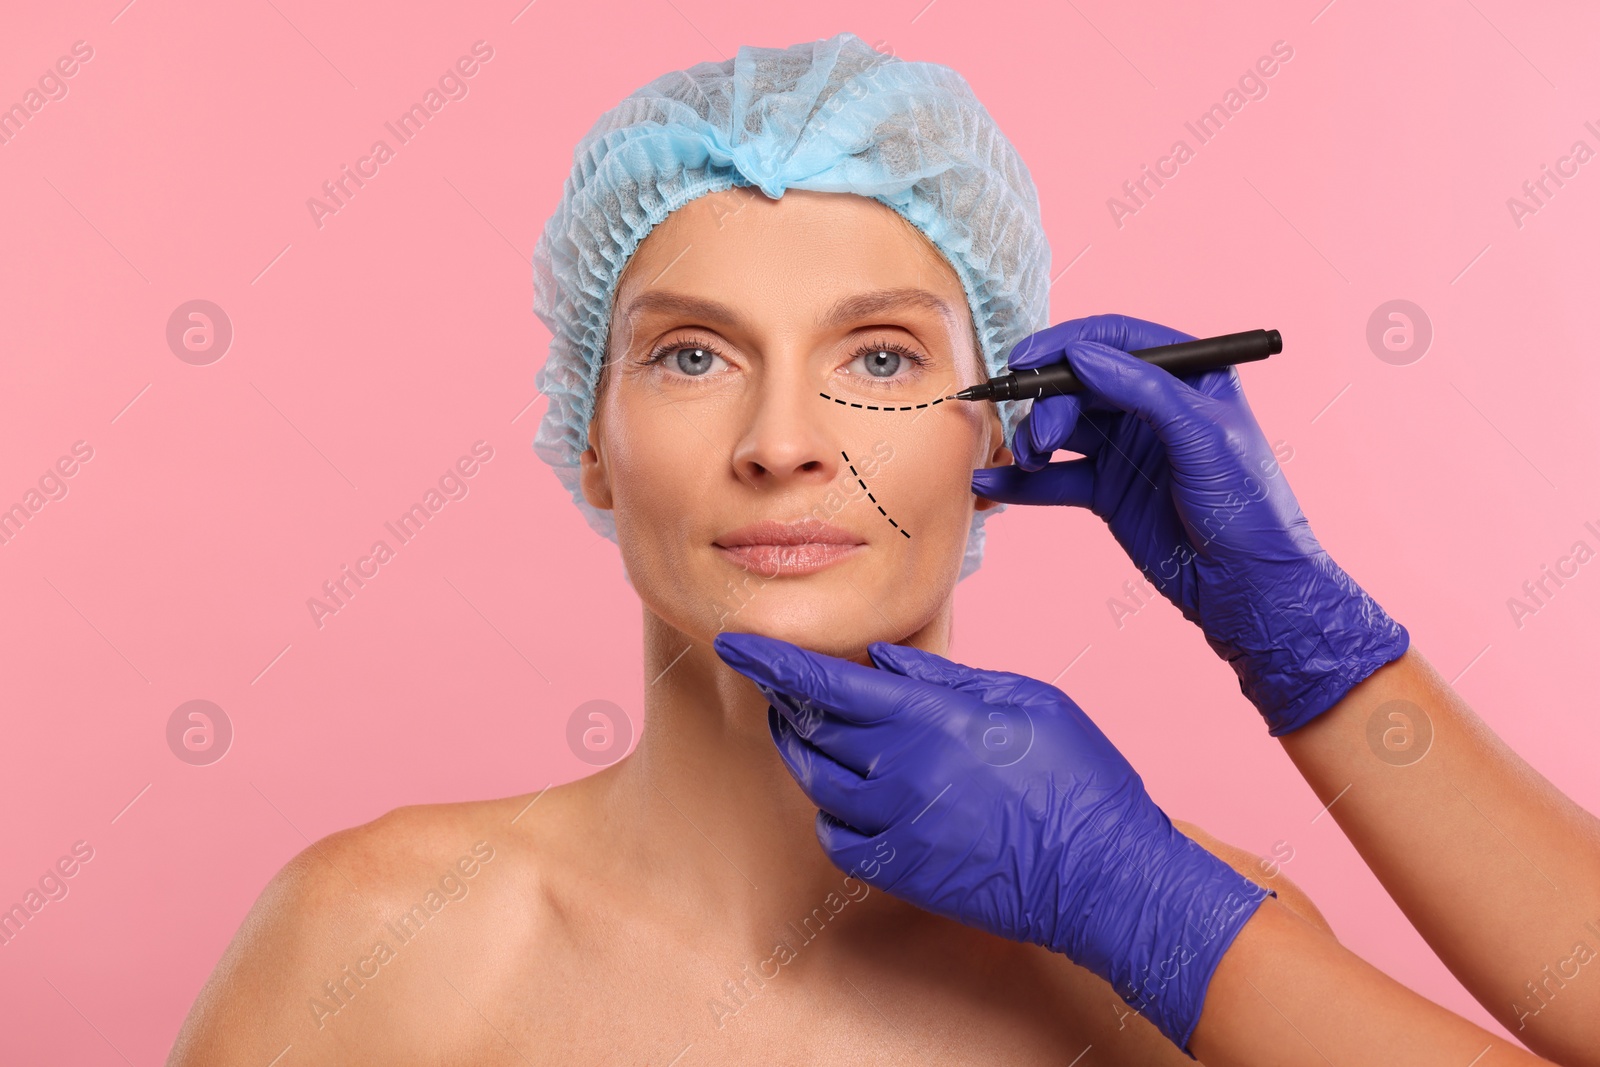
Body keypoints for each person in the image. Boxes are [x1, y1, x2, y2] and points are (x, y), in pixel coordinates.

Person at [166, 33, 1337, 1065]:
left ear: (999, 433)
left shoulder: (1208, 951)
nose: (782, 444)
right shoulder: (368, 948)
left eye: (879, 357)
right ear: (589, 438)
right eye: (691, 355)